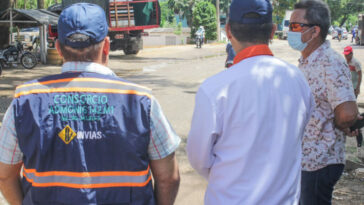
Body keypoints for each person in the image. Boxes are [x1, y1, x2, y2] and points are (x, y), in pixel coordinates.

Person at [0, 3, 180, 205]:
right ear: (106, 46)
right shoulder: (141, 102)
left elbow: (5, 175)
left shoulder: (24, 102)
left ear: (58, 48)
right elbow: (168, 177)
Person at [187, 0, 314, 204]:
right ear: (273, 31)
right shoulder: (297, 80)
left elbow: (199, 159)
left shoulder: (215, 89)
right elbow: (299, 135)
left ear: (228, 30)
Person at [287, 1, 358, 204]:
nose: (290, 31)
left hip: (320, 161)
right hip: (306, 161)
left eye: (295, 26)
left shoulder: (330, 62)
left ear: (314, 31)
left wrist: (339, 123)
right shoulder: (308, 61)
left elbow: (347, 114)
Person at [344, 45, 363, 147]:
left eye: (348, 55)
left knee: (353, 111)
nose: (346, 57)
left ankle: (359, 137)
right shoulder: (345, 62)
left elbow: (360, 75)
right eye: (345, 55)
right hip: (347, 89)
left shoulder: (356, 63)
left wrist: (358, 87)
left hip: (354, 89)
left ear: (352, 54)